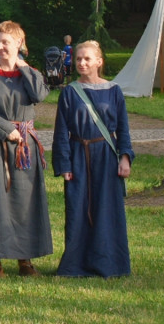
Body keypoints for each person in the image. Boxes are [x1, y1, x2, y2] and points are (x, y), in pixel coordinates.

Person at [0, 21, 51, 277]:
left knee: (25, 201)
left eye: (6, 42)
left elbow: (39, 95)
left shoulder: (30, 72)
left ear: (18, 43)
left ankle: (25, 260)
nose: (0, 47)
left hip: (24, 147)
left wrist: (22, 66)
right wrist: (5, 129)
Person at [52, 40, 133, 278]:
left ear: (99, 61)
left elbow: (123, 129)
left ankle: (109, 264)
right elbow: (61, 132)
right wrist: (64, 164)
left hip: (106, 157)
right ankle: (77, 264)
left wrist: (125, 158)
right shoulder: (69, 92)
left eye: (87, 59)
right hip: (79, 155)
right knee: (78, 208)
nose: (82, 63)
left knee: (107, 209)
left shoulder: (114, 91)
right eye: (78, 59)